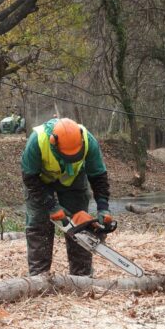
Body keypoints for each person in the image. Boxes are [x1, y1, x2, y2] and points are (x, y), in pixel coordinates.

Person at [21, 117, 112, 276]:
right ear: (53, 143)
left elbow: (98, 176)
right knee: (39, 226)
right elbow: (29, 177)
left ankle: (82, 275)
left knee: (80, 225)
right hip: (40, 182)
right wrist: (50, 205)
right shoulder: (37, 141)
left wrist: (103, 207)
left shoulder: (88, 141)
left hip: (73, 180)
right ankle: (39, 277)